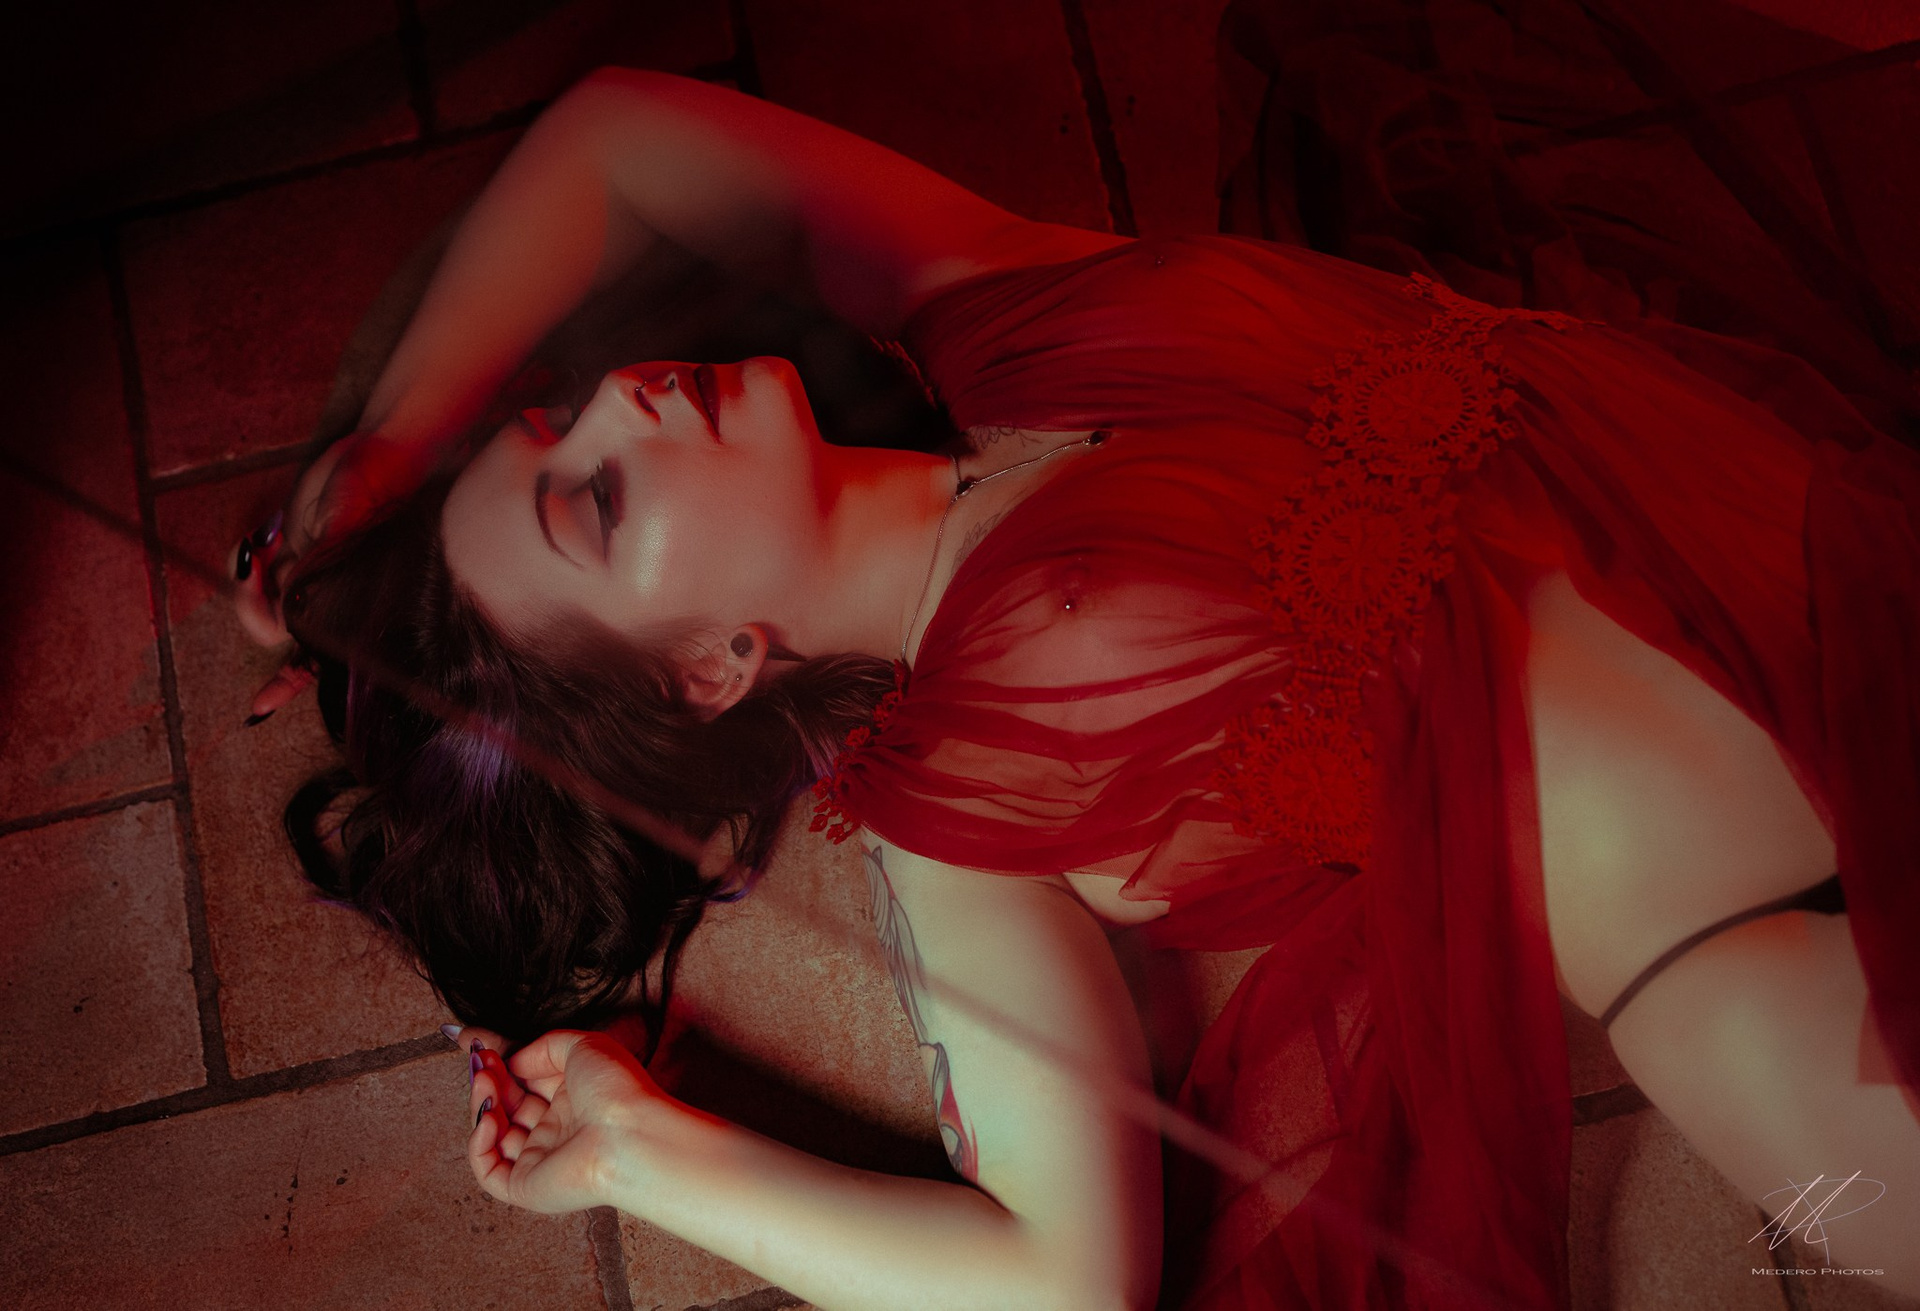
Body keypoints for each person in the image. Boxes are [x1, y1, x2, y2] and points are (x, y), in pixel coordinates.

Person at [230, 64, 1920, 1311]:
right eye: (595, 500)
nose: (624, 398)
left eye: (554, 409)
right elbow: (1065, 1287)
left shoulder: (993, 311)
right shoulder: (949, 801)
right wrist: (635, 1153)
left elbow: (618, 132)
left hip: (1845, 569)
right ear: (707, 667)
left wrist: (380, 455)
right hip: (1749, 939)